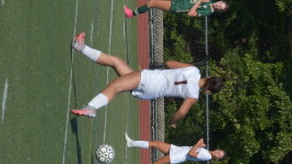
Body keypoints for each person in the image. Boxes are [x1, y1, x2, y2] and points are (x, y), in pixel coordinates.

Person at [70, 32, 222, 124]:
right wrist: (172, 121)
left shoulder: (194, 71)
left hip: (150, 78)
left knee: (114, 86)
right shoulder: (194, 96)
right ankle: (80, 46)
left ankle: (92, 108)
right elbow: (181, 112)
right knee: (115, 62)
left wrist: (178, 70)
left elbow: (169, 63)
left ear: (209, 76)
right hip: (151, 93)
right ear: (208, 91)